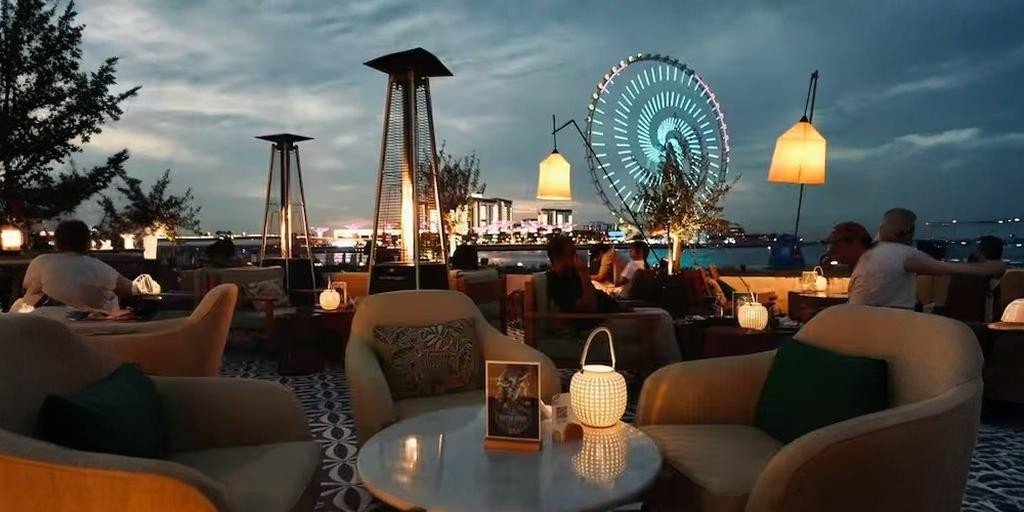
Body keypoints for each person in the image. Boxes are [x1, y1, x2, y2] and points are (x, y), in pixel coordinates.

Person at [546, 235, 681, 366]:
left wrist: (621, 307)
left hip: (613, 313)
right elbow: (589, 307)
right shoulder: (557, 281)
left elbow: (596, 297)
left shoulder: (571, 275)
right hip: (598, 325)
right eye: (573, 253)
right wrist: (583, 273)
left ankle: (664, 368)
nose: (578, 256)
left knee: (660, 313)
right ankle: (669, 370)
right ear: (561, 256)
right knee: (661, 318)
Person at [848, 208, 1007, 309]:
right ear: (909, 231)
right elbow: (945, 269)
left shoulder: (869, 252)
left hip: (856, 319)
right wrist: (992, 268)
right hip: (891, 324)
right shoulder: (903, 254)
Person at [22, 219, 134, 312]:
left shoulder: (40, 261)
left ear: (56, 241)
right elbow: (129, 288)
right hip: (85, 323)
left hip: (39, 320)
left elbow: (27, 286)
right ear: (87, 242)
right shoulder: (95, 267)